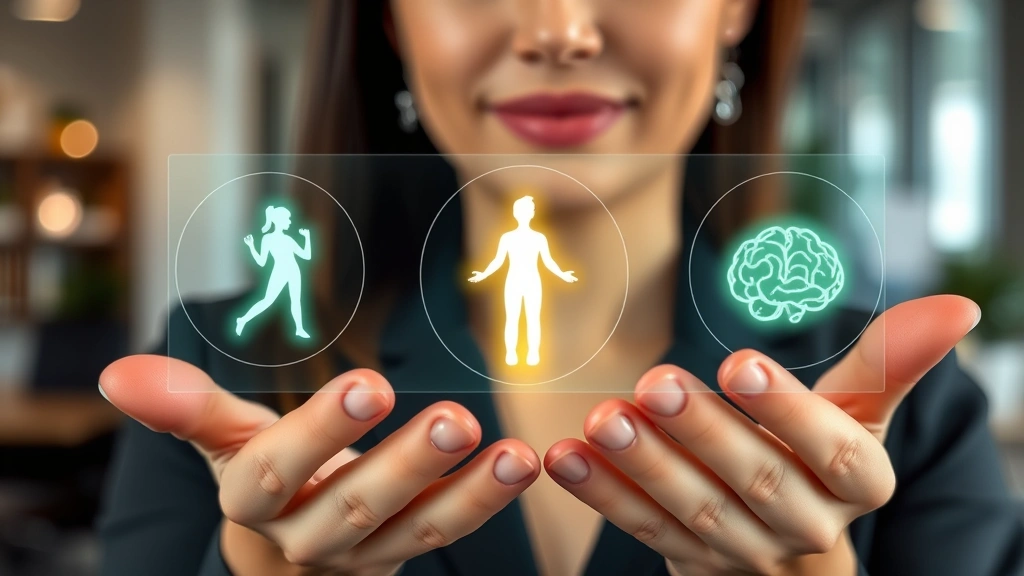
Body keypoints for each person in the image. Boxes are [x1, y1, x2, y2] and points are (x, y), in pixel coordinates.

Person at [96, 2, 1024, 576]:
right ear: (390, 19)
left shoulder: (915, 411)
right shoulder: (230, 373)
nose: (558, 29)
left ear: (739, 8)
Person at [468, 195, 577, 366]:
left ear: (532, 214)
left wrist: (563, 274)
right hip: (513, 282)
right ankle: (511, 353)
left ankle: (533, 353)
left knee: (533, 319)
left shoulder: (539, 238)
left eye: (529, 210)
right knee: (512, 318)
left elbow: (548, 261)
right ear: (516, 213)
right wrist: (483, 274)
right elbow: (498, 261)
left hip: (533, 282)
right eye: (522, 210)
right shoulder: (508, 238)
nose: (526, 213)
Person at [235, 205, 312, 339]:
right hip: (279, 272)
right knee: (267, 301)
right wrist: (252, 246)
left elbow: (306, 255)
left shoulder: (289, 239)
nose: (289, 222)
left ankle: (299, 328)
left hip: (294, 270)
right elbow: (261, 262)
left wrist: (307, 237)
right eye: (287, 219)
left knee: (296, 301)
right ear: (279, 220)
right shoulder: (268, 239)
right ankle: (243, 319)